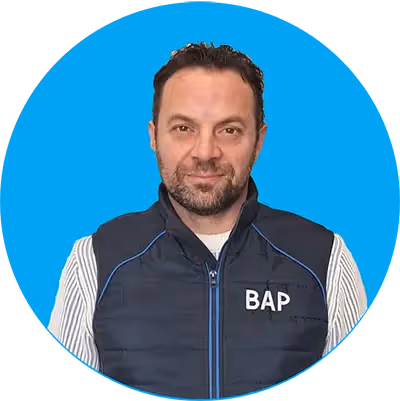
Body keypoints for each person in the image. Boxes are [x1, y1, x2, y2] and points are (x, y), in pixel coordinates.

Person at [48, 42, 367, 399]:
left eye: (229, 130)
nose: (205, 152)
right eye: (184, 128)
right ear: (154, 136)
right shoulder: (95, 260)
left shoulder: (325, 259)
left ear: (258, 140)